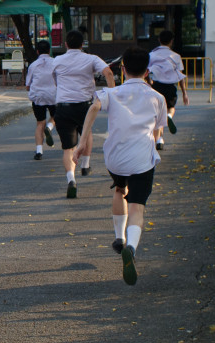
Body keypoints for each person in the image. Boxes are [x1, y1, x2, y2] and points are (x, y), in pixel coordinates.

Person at [74, 47, 167, 285]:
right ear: (147, 71)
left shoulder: (111, 94)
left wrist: (82, 142)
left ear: (123, 69)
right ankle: (132, 248)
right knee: (137, 208)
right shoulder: (158, 98)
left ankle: (118, 238)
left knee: (119, 188)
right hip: (141, 160)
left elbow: (93, 107)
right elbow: (158, 130)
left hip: (115, 158)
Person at [52, 30, 115, 198]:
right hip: (84, 105)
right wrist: (112, 94)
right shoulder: (91, 58)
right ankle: (85, 165)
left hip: (63, 106)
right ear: (82, 44)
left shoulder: (57, 60)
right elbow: (108, 72)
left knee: (67, 148)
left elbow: (54, 79)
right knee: (86, 132)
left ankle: (71, 179)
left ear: (66, 44)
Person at [148, 30, 189, 150]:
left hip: (157, 86)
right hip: (171, 86)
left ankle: (158, 140)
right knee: (170, 108)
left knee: (157, 114)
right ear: (171, 41)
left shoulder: (152, 55)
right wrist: (184, 93)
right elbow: (180, 76)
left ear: (159, 40)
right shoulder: (176, 56)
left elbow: (147, 71)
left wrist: (150, 83)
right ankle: (169, 116)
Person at [24, 40, 57, 160]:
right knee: (55, 116)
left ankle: (39, 151)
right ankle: (50, 127)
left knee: (39, 123)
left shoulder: (33, 65)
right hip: (53, 96)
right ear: (49, 50)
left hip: (38, 97)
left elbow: (28, 85)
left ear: (37, 51)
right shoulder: (55, 63)